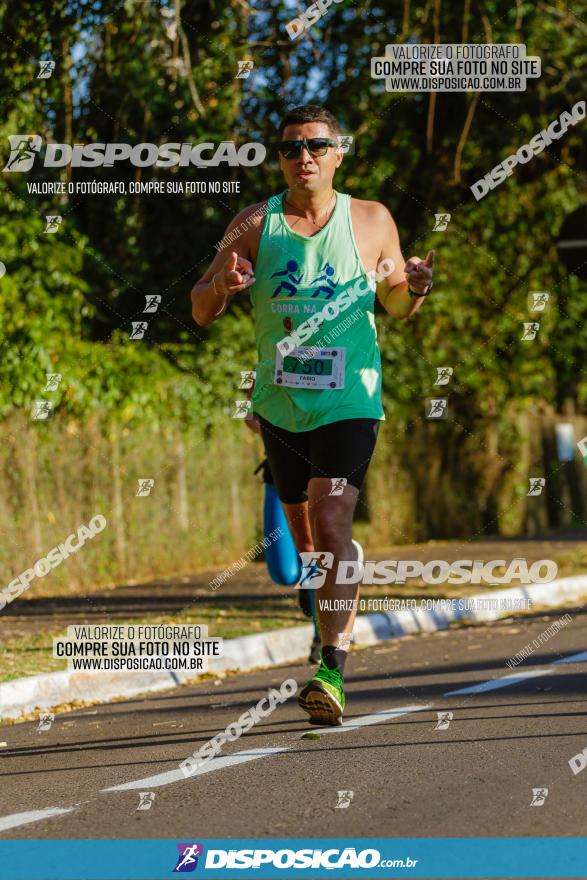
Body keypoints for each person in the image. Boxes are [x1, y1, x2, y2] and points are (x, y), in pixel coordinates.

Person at [191, 104, 434, 725]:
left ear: (339, 152)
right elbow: (198, 306)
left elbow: (397, 304)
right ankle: (319, 606)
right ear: (280, 158)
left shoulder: (371, 219)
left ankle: (332, 668)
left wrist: (415, 286)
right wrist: (225, 285)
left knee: (333, 522)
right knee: (306, 547)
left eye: (317, 147)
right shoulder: (252, 223)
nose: (305, 158)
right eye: (292, 149)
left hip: (351, 395)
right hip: (280, 403)